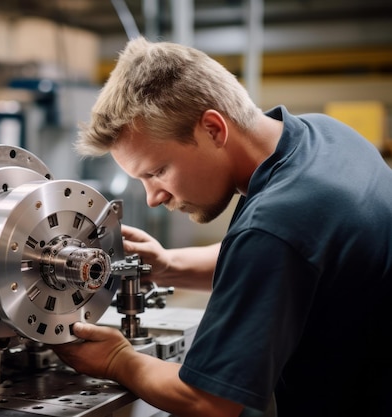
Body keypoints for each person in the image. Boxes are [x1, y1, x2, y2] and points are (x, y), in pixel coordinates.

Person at [53, 36, 392, 417]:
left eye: (158, 172)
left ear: (213, 129)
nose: (153, 197)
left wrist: (117, 360)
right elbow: (288, 259)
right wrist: (167, 265)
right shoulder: (326, 136)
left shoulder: (277, 223)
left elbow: (210, 401)